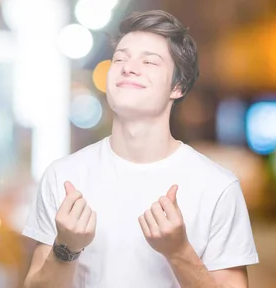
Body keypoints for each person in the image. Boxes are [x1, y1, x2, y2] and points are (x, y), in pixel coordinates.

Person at [22, 10, 259, 288]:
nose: (128, 67)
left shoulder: (218, 187)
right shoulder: (62, 177)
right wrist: (66, 248)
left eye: (149, 61)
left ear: (178, 86)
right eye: (120, 58)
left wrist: (179, 252)